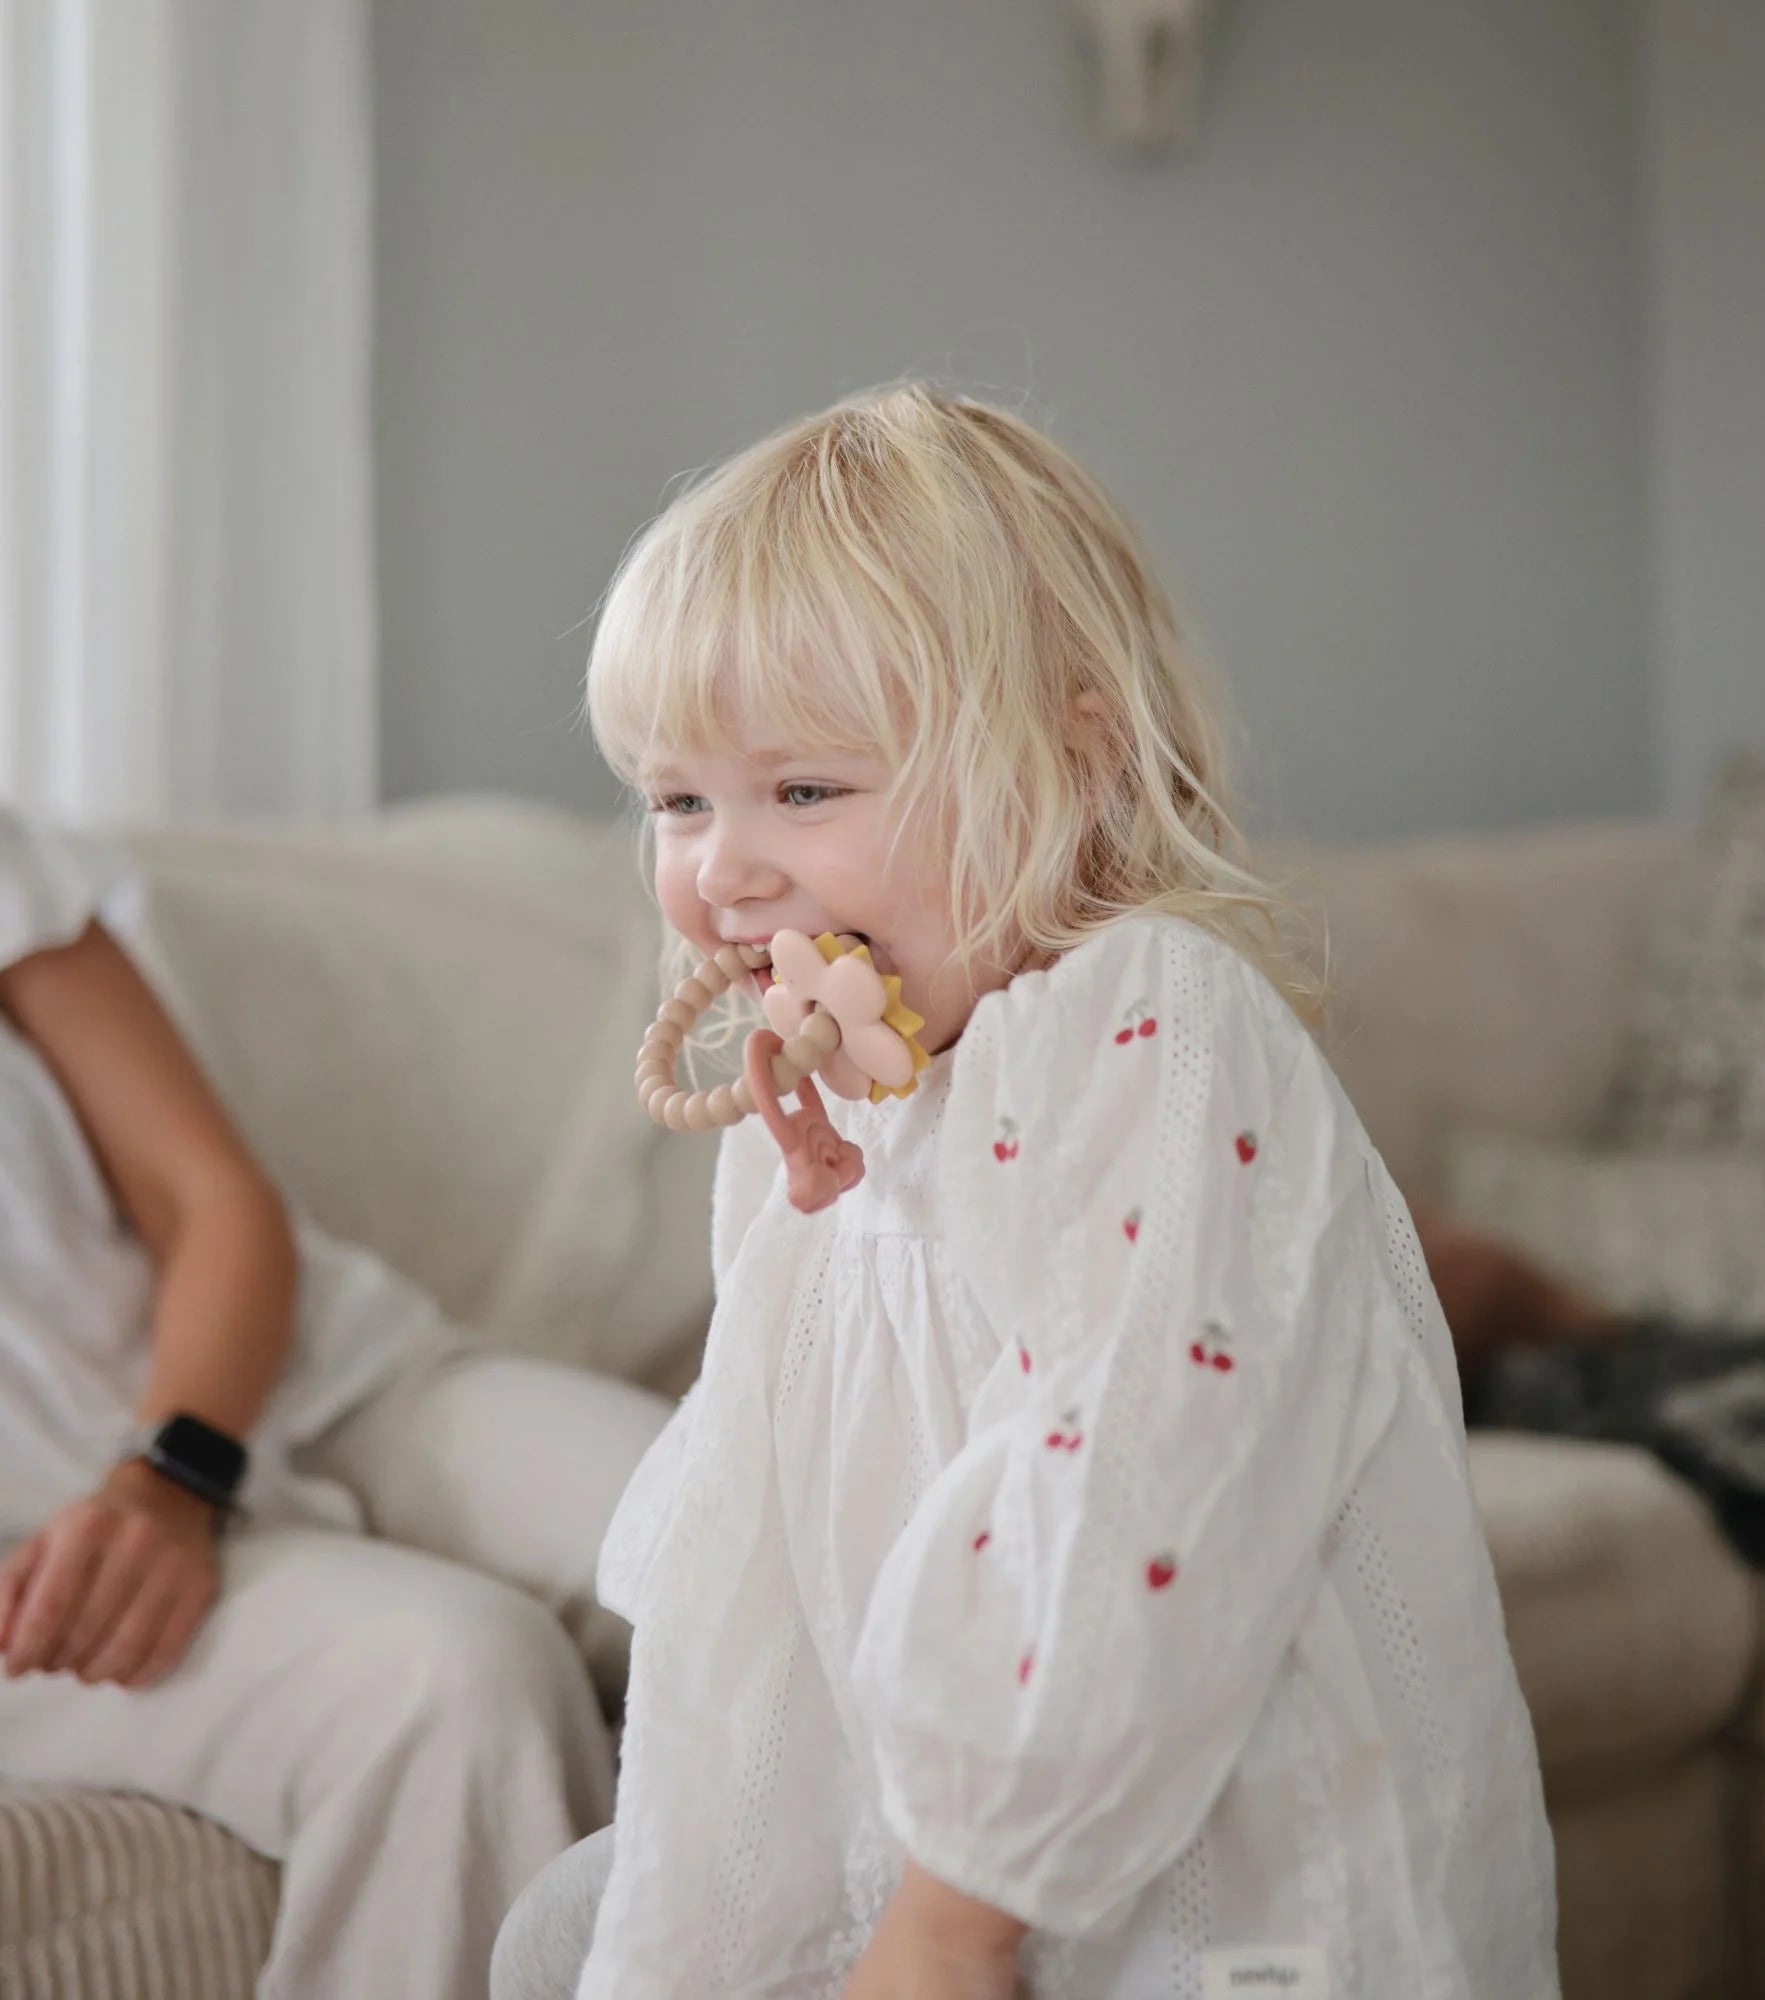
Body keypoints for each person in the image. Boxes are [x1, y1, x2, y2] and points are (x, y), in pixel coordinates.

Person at [503, 385, 1558, 2000]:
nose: (724, 871)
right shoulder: (821, 1103)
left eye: (804, 791)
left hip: (1215, 1877)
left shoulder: (1151, 1030)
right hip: (929, 1830)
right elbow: (776, 1539)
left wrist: (953, 1916)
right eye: (676, 798)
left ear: (1072, 768)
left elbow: (1130, 1487)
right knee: (554, 1937)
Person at [0, 807, 671, 2000]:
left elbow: (208, 1195)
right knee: (458, 1680)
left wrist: (171, 1472)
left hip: (320, 1381)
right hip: (48, 1572)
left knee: (736, 1527)